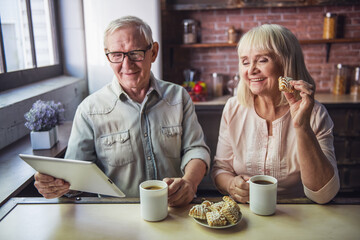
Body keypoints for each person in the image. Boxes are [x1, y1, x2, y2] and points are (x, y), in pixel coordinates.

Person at [34, 16, 210, 207]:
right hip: (117, 218)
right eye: (117, 55)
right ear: (107, 56)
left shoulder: (178, 97)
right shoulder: (89, 110)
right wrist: (58, 185)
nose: (127, 65)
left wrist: (189, 183)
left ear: (153, 52)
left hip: (173, 211)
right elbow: (75, 177)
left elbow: (196, 149)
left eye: (135, 53)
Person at [211, 24, 340, 204]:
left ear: (286, 64)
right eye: (245, 61)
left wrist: (301, 126)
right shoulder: (233, 108)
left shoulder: (315, 113)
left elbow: (323, 195)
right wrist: (232, 184)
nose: (251, 70)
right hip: (248, 213)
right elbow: (220, 169)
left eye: (262, 60)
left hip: (298, 212)